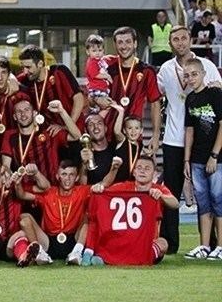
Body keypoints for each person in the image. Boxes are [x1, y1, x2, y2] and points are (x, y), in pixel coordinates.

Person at [157, 25, 222, 254]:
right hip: (174, 139)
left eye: (184, 38)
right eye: (175, 39)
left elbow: (217, 95)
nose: (180, 42)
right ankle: (171, 244)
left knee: (212, 193)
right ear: (170, 44)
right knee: (171, 192)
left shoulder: (208, 65)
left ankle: (213, 245)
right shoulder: (165, 69)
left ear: (189, 40)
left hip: (203, 141)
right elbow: (158, 95)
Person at [16, 159, 115, 265]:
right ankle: (39, 252)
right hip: (48, 242)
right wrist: (17, 184)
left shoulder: (82, 191)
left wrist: (114, 168)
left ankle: (77, 252)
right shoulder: (48, 193)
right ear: (58, 176)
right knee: (24, 218)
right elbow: (22, 195)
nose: (67, 178)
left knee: (89, 215)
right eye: (64, 174)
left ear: (76, 177)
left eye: (71, 175)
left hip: (73, 240)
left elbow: (105, 184)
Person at [87, 156, 177, 266]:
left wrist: (161, 196)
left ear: (154, 174)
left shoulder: (158, 189)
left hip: (146, 242)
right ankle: (108, 256)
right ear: (134, 172)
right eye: (139, 167)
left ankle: (142, 256)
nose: (142, 171)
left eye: (147, 168)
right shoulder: (123, 187)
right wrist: (98, 188)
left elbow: (175, 204)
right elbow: (104, 192)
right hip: (123, 239)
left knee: (163, 243)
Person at [183, 57, 222, 260]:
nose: (190, 78)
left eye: (194, 74)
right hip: (196, 159)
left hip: (217, 159)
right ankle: (204, 246)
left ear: (203, 74)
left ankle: (221, 247)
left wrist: (214, 155)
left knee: (219, 202)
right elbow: (189, 130)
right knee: (203, 204)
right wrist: (187, 161)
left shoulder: (215, 94)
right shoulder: (190, 99)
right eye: (187, 75)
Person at [1, 96, 81, 187]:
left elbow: (77, 136)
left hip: (50, 189)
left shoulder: (49, 132)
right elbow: (6, 164)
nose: (23, 114)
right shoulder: (9, 136)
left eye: (26, 110)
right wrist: (6, 173)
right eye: (19, 111)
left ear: (34, 113)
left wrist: (62, 112)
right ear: (15, 117)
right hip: (25, 191)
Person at [107, 27, 161, 154]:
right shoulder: (108, 70)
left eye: (128, 42)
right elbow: (94, 99)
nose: (124, 46)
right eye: (120, 42)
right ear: (115, 45)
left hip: (133, 134)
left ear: (135, 43)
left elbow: (155, 103)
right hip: (108, 134)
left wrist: (156, 135)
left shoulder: (146, 71)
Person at [18, 44, 85, 132]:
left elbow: (79, 99)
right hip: (51, 135)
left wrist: (67, 126)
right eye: (23, 67)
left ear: (40, 64)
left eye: (28, 67)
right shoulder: (25, 79)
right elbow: (10, 80)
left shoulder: (59, 71)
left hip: (74, 132)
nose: (25, 71)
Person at [83, 35, 113, 113]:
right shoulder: (92, 62)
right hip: (97, 90)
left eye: (100, 50)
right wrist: (107, 76)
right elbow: (95, 75)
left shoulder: (99, 61)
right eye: (94, 51)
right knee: (105, 108)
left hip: (102, 89)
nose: (97, 53)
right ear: (87, 52)